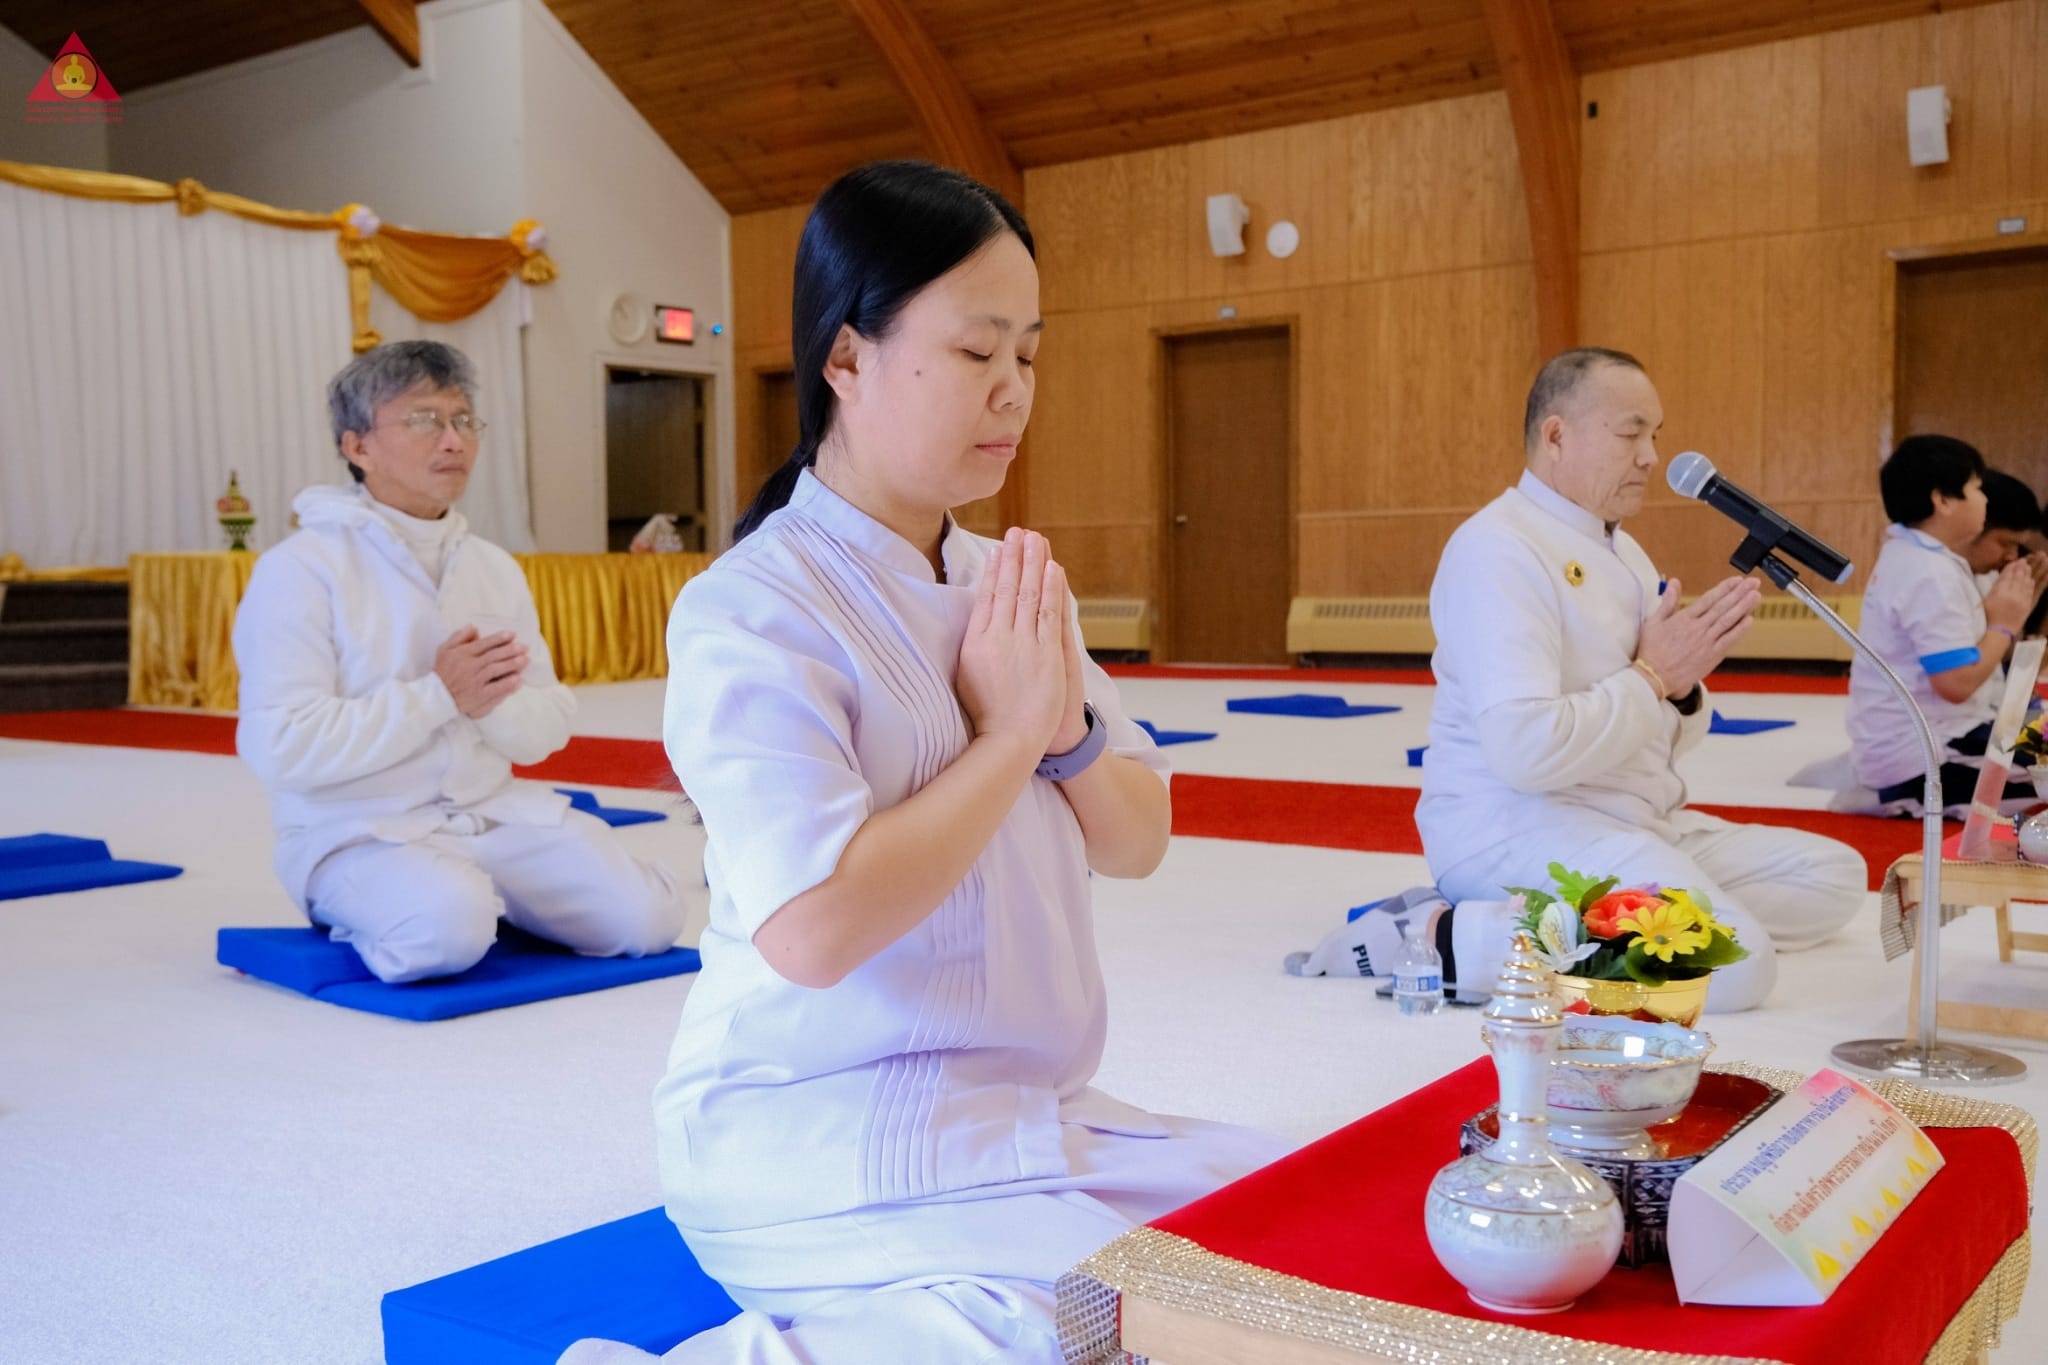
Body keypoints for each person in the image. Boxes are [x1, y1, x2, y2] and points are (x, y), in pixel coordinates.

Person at [565, 162, 1285, 1365]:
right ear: (845, 360)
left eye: (1030, 356)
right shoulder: (753, 609)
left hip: (1023, 1119)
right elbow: (811, 930)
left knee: (1309, 1238)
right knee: (1172, 1335)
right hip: (824, 1134)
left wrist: (1058, 730)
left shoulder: (997, 574)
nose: (1013, 392)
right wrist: (1006, 741)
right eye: (975, 354)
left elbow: (1139, 839)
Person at [1407, 347, 1865, 1013]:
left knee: (1833, 877)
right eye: (1630, 433)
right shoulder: (1497, 548)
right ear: (1556, 435)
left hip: (1636, 820)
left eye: (1655, 434)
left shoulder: (1624, 551)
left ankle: (1615, 908)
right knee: (1739, 967)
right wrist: (1652, 676)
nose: (1651, 456)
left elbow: (1667, 736)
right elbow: (1523, 751)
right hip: (1515, 826)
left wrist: (1679, 687)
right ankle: (1452, 939)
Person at [233, 341, 685, 983]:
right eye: (424, 421)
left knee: (648, 920)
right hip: (357, 828)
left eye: (464, 420)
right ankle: (395, 899)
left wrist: (492, 700)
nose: (453, 441)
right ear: (356, 446)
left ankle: (468, 891)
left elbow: (547, 726)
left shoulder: (491, 566)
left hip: (490, 813)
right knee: (445, 933)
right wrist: (439, 696)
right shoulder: (300, 570)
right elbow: (280, 747)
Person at [1848, 436, 2048, 818]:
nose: (1984, 499)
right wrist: (2003, 625)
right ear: (1943, 500)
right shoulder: (1929, 573)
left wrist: (2001, 621)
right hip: (1928, 760)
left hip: (1942, 741)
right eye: (1976, 488)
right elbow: (1955, 684)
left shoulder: (1919, 558)